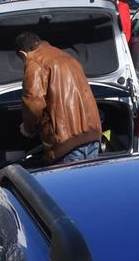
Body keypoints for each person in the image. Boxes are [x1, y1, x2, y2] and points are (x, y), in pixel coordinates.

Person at [17, 31, 103, 164]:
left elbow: (33, 103)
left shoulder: (34, 61)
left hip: (66, 144)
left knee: (70, 184)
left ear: (23, 53)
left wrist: (28, 128)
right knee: (89, 183)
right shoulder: (68, 57)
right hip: (93, 136)